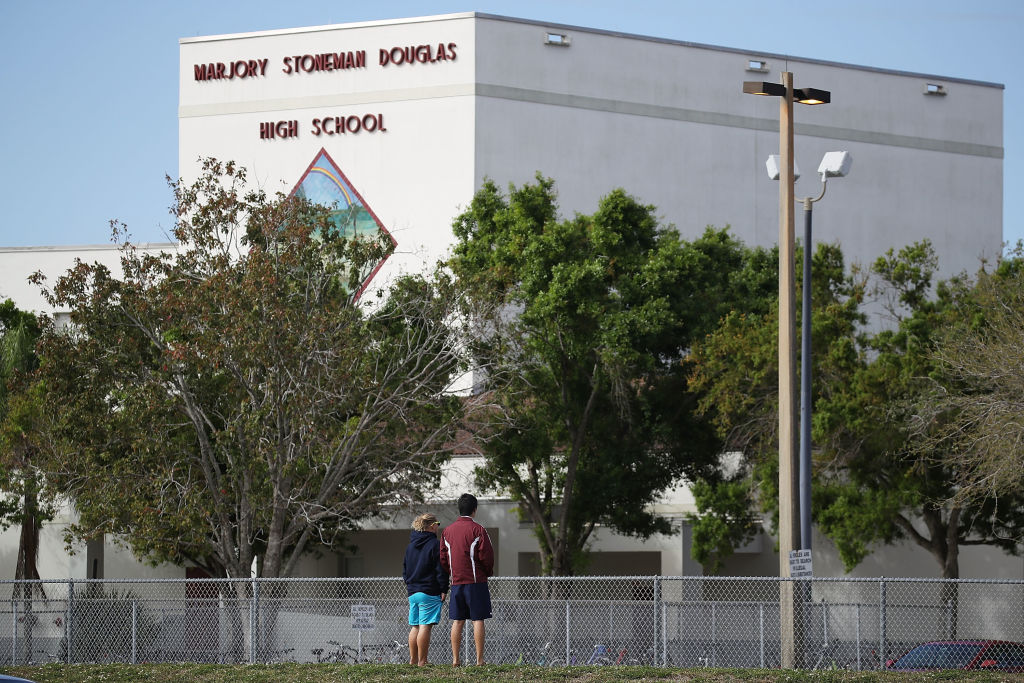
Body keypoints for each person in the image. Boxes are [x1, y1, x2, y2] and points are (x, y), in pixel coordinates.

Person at [440, 493, 494, 666]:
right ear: (474, 510)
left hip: (456, 583)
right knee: (478, 619)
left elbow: (443, 558)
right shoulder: (478, 530)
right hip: (476, 582)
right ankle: (480, 660)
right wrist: (487, 572)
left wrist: (452, 573)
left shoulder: (447, 531)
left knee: (458, 621)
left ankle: (456, 660)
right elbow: (487, 556)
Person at [402, 512, 448, 666]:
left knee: (415, 626)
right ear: (432, 526)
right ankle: (423, 661)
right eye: (437, 524)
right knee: (425, 627)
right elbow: (440, 568)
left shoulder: (410, 547)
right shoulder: (435, 544)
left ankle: (413, 660)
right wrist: (443, 588)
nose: (438, 527)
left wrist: (410, 584)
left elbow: (405, 569)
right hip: (428, 591)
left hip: (413, 592)